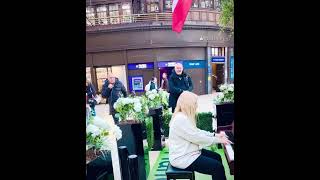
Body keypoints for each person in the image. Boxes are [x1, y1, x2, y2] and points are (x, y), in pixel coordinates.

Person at [168, 91, 232, 180]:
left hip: (189, 152)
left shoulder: (182, 116)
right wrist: (218, 140)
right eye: (195, 103)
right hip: (183, 158)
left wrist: (215, 135)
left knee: (217, 157)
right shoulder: (180, 119)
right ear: (188, 104)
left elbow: (196, 132)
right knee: (217, 167)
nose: (196, 106)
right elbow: (197, 138)